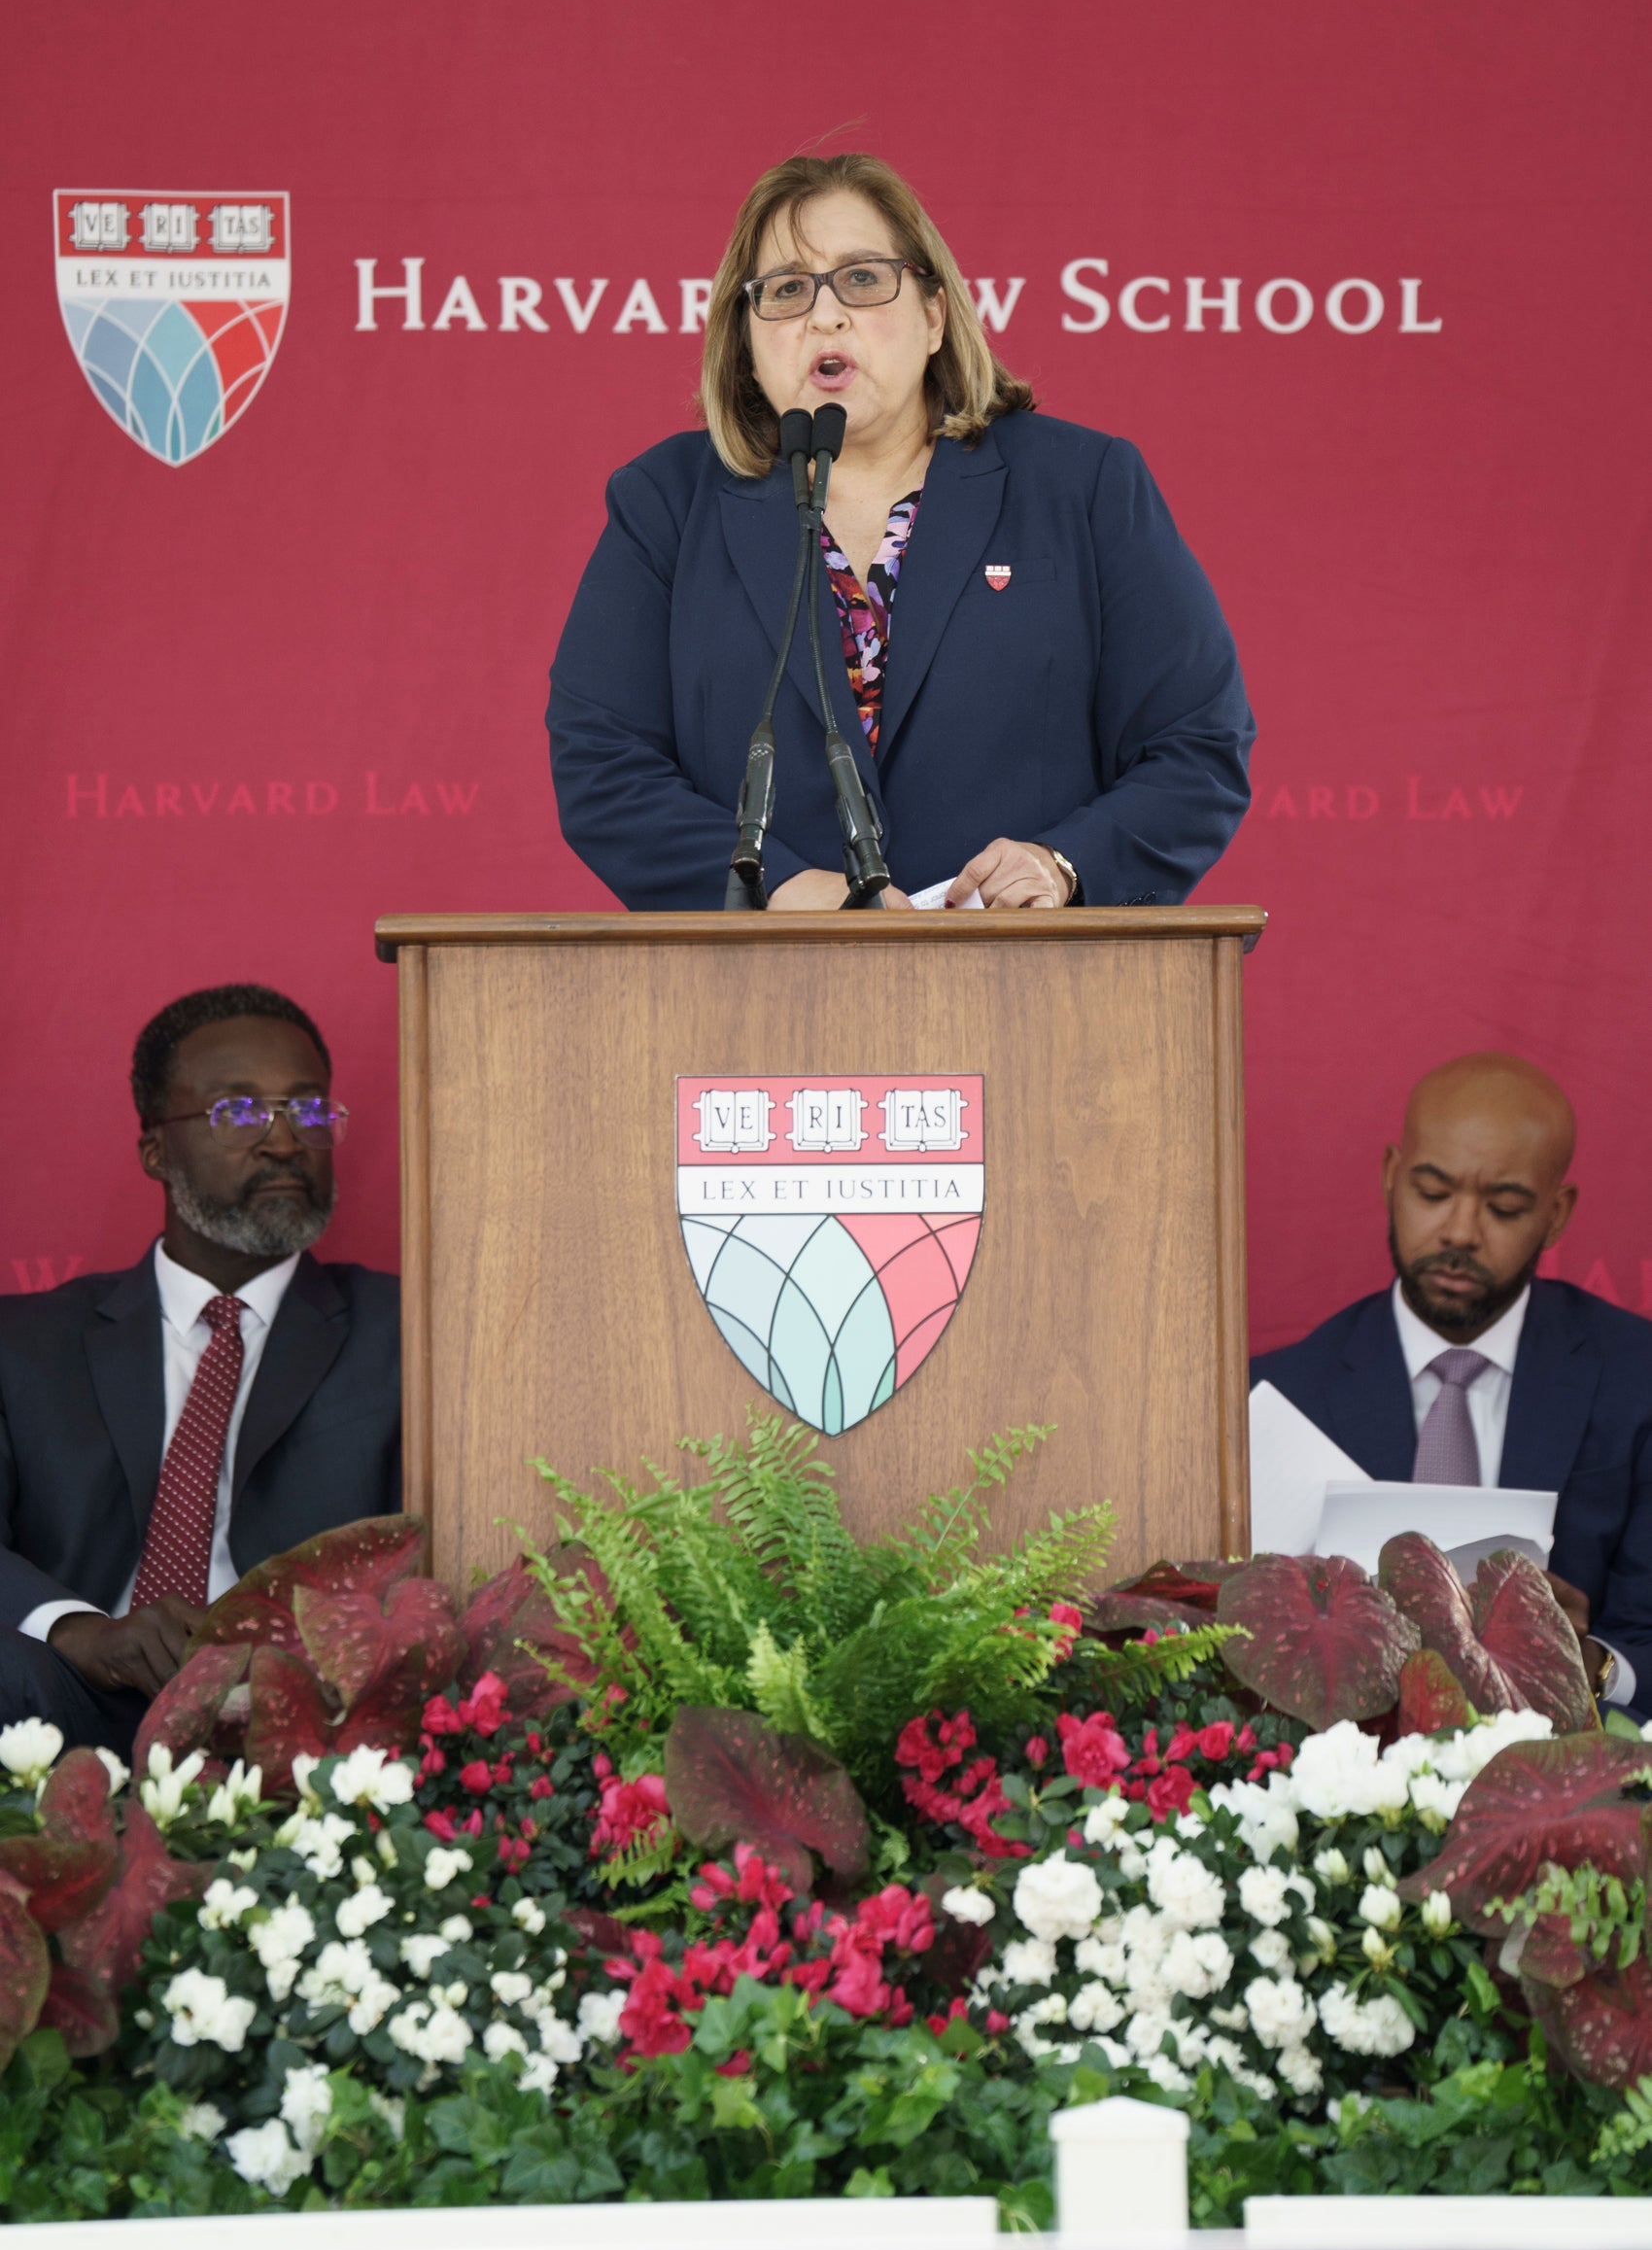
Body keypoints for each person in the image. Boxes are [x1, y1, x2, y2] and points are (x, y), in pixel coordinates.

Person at [547, 151, 1254, 913]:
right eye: (786, 290)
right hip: (754, 996)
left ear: (934, 317)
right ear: (746, 345)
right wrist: (780, 889)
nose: (825, 314)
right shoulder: (666, 504)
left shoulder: (1083, 486)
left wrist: (1062, 864)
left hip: (1040, 985)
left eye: (862, 278)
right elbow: (603, 767)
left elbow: (1196, 750)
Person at [0, 985, 401, 1753]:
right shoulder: (26, 1345)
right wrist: (79, 1630)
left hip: (305, 1720)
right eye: (240, 1112)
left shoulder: (405, 1332)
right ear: (155, 1149)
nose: (285, 1141)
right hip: (75, 1700)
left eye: (308, 1109)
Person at [1254, 1053, 1652, 1715]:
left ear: (1556, 1214)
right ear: (1391, 1176)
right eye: (1433, 1194)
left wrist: (1595, 1667)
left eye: (1504, 1207)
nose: (1460, 1232)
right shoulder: (1280, 1397)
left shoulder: (1637, 1378)